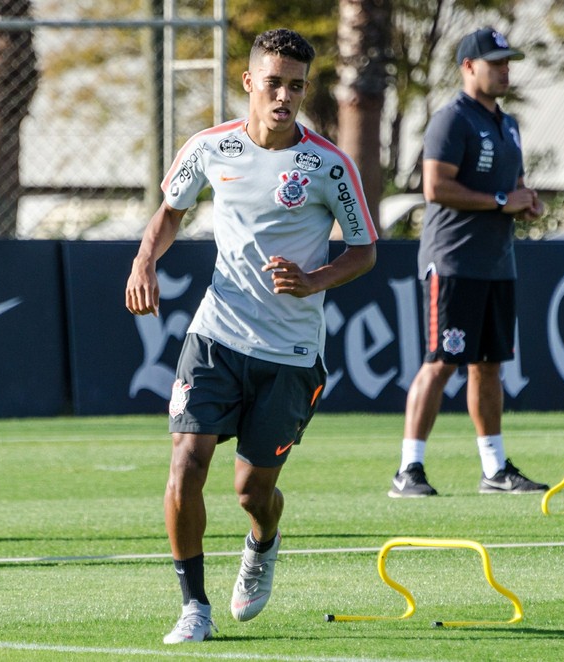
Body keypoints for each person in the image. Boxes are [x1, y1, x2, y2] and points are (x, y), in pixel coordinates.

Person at [125, 28, 377, 644]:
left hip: (290, 355)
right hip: (215, 336)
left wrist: (314, 278)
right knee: (186, 463)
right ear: (249, 84)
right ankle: (194, 608)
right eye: (274, 83)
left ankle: (263, 543)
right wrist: (143, 260)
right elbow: (171, 212)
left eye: (296, 85)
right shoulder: (210, 148)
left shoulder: (327, 165)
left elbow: (365, 250)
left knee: (251, 493)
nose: (285, 96)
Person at [389, 27, 548, 499]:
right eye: (495, 62)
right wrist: (503, 199)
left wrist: (525, 201)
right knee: (441, 362)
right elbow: (434, 187)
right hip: (453, 260)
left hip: (498, 263)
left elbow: (512, 183)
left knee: (490, 366)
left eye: (507, 62)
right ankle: (408, 470)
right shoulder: (451, 120)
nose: (504, 70)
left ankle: (495, 469)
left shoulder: (510, 122)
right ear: (468, 67)